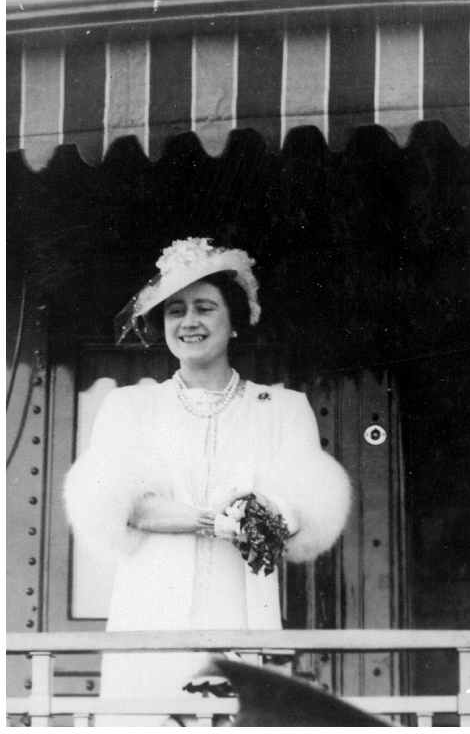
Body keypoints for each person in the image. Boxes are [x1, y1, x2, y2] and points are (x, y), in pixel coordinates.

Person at [64, 237, 352, 726]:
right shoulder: (129, 407)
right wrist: (219, 519)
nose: (189, 322)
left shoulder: (282, 409)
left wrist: (263, 510)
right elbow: (125, 506)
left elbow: (302, 513)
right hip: (149, 609)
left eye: (204, 307)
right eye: (175, 311)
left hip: (241, 606)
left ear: (234, 319)